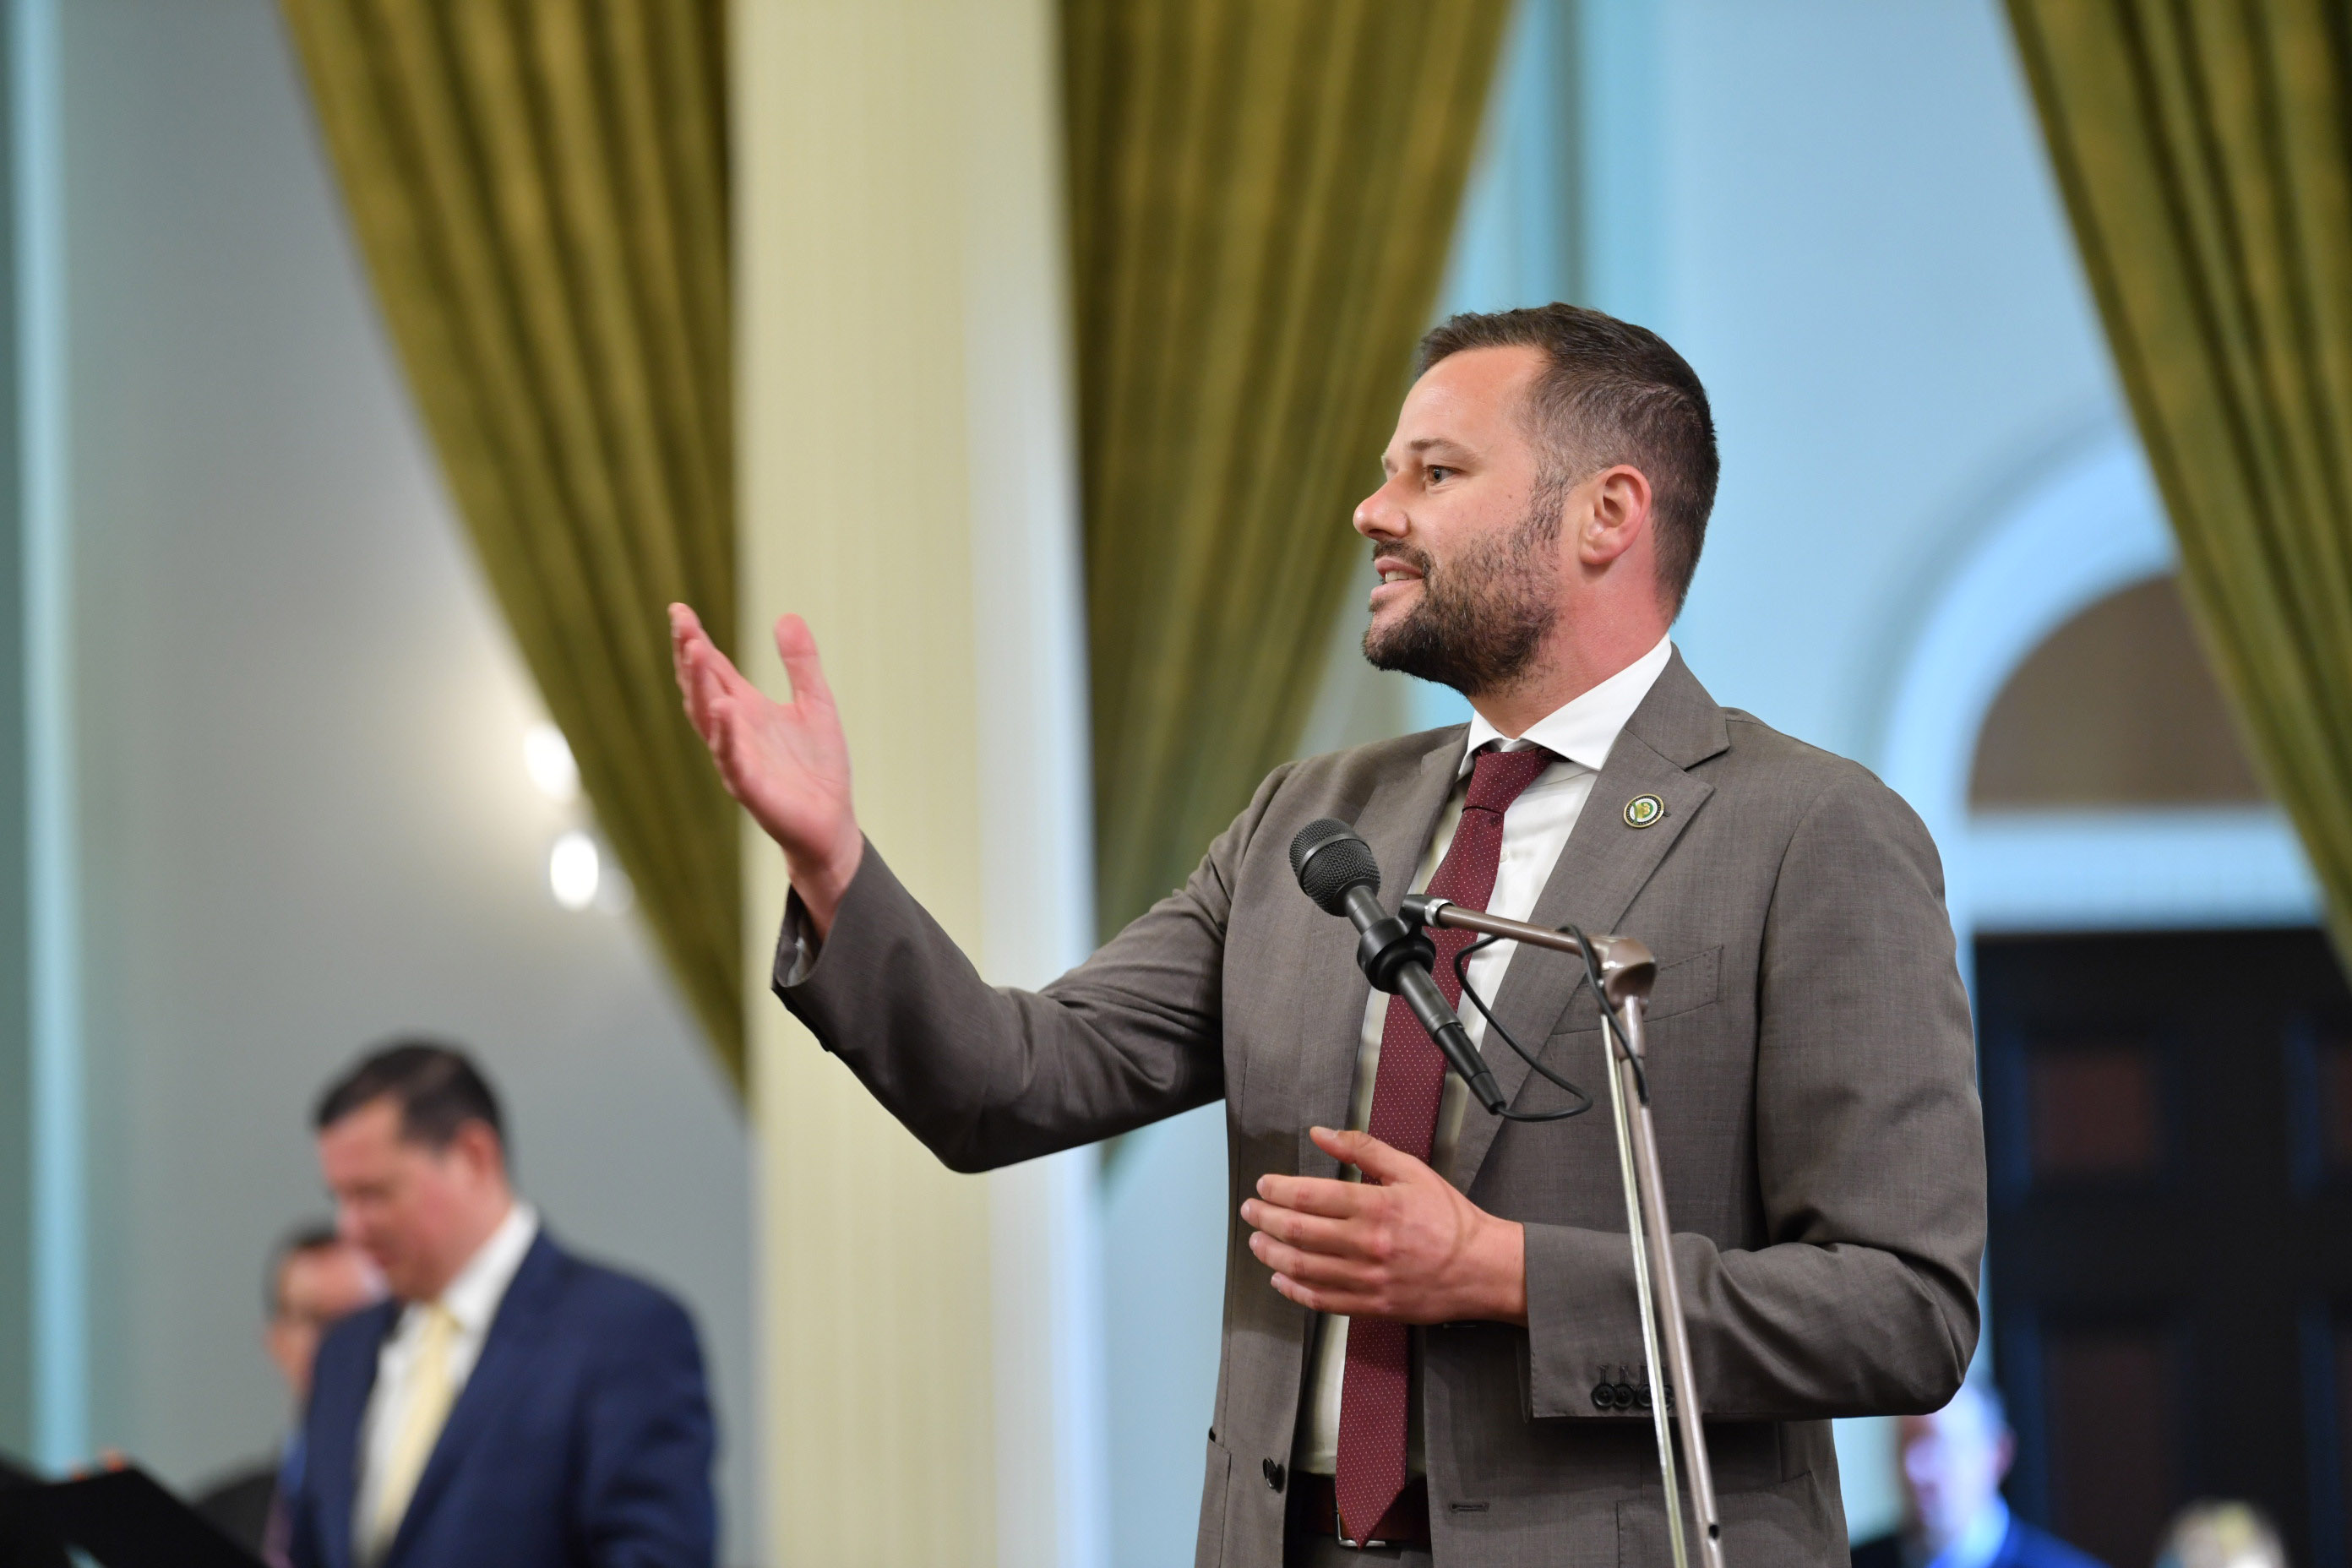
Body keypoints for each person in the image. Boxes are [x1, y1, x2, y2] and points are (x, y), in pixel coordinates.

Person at [672, 302, 1986, 1565]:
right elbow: (1009, 1083)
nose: (1375, 510)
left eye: (1436, 470)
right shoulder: (1310, 821)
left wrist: (1510, 1273)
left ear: (1608, 514)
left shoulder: (1809, 833)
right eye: (1386, 471)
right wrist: (832, 859)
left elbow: (1902, 1310)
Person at [285, 1040, 716, 1568]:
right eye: (339, 1199)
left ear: (473, 1156)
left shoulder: (624, 1334)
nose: (349, 1229)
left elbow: (656, 1556)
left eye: (374, 1194)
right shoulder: (344, 1352)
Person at [194, 1225, 385, 1563]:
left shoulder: (437, 1500)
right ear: (277, 1342)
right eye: (316, 1320)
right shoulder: (213, 1519)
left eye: (360, 1319)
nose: (341, 1343)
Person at [1850, 1382, 2104, 1568]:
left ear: (1997, 1456)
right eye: (1904, 1444)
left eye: (1938, 1447)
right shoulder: (1848, 1562)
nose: (1914, 1469)